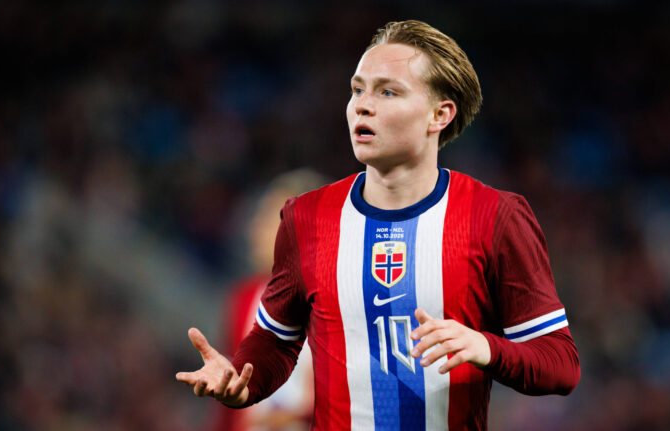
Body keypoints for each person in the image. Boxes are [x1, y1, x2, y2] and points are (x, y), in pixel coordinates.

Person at [177, 20, 580, 430]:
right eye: (358, 90)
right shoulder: (307, 218)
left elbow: (561, 364)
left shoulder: (495, 216)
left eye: (388, 92)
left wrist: (486, 347)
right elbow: (275, 341)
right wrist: (242, 383)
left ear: (439, 114)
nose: (362, 105)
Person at [211, 170, 327, 431]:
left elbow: (354, 394)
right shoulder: (243, 300)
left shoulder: (336, 300)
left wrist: (299, 415)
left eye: (268, 219)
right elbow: (226, 402)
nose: (255, 229)